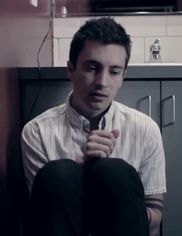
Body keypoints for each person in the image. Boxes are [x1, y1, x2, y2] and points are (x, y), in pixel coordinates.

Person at [21, 17, 166, 236]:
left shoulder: (145, 129)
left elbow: (155, 215)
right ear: (71, 69)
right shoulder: (37, 132)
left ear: (123, 76)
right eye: (92, 67)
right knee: (59, 173)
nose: (101, 82)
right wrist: (84, 169)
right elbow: (46, 214)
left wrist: (119, 203)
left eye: (114, 71)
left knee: (114, 172)